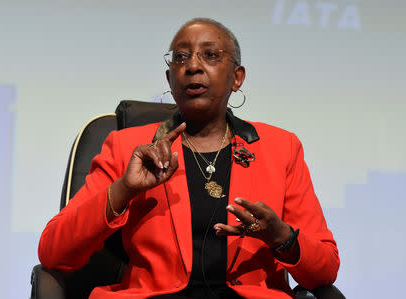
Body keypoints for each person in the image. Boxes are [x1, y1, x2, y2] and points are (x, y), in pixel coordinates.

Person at [38, 18, 339, 299]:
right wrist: (124, 189)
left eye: (210, 55)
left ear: (237, 78)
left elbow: (324, 269)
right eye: (181, 57)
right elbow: (54, 251)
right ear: (170, 78)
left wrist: (281, 237)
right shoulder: (127, 146)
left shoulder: (280, 148)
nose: (193, 66)